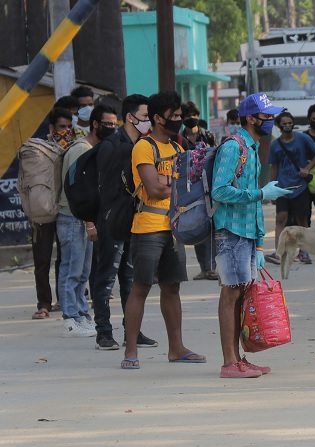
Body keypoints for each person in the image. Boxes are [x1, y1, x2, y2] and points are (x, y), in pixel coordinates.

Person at [122, 90, 206, 369]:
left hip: (174, 229)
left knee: (172, 288)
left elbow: (189, 189)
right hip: (148, 227)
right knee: (141, 287)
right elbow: (155, 189)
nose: (180, 121)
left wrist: (176, 188)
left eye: (181, 116)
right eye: (175, 116)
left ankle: (176, 349)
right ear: (158, 118)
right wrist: (177, 187)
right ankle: (131, 351)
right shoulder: (144, 147)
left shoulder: (179, 149)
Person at [212, 93, 291, 378]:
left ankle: (238, 359)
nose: (271, 121)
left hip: (245, 234)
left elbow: (256, 205)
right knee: (230, 294)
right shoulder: (234, 147)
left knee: (239, 294)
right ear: (249, 118)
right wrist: (260, 192)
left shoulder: (253, 147)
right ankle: (229, 363)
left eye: (271, 116)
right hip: (230, 231)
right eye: (266, 116)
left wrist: (259, 245)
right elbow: (219, 190)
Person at [92, 94, 158, 350]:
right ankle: (104, 332)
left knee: (130, 279)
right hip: (113, 221)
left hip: (136, 220)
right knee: (106, 278)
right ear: (130, 117)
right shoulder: (111, 145)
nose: (148, 122)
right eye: (144, 117)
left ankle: (133, 330)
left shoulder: (143, 143)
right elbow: (106, 190)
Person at [57, 106, 115, 337]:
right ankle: (70, 319)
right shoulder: (80, 150)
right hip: (73, 219)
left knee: (82, 272)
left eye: (114, 124)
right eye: (107, 124)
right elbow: (76, 191)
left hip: (84, 219)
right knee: (71, 269)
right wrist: (89, 223)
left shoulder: (92, 148)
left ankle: (81, 314)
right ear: (94, 124)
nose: (112, 128)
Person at [267, 112, 315, 263]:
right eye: (284, 123)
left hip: (300, 187)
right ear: (278, 126)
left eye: (290, 123)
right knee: (281, 218)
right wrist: (272, 190)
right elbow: (273, 167)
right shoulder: (275, 145)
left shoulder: (302, 138)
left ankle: (304, 252)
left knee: (302, 220)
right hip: (282, 188)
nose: (287, 126)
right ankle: (279, 253)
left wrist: (308, 168)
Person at [29, 108, 68, 320]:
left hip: (65, 211)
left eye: (69, 127)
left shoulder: (73, 148)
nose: (66, 131)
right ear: (51, 128)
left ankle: (64, 299)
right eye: (62, 127)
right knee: (42, 259)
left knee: (66, 259)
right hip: (43, 211)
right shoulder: (37, 150)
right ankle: (43, 304)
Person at [178, 101, 220, 281]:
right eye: (187, 116)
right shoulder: (178, 139)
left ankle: (213, 268)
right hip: (189, 188)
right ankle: (204, 268)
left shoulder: (208, 136)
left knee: (212, 226)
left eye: (194, 115)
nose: (191, 119)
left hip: (209, 186)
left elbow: (217, 156)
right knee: (197, 224)